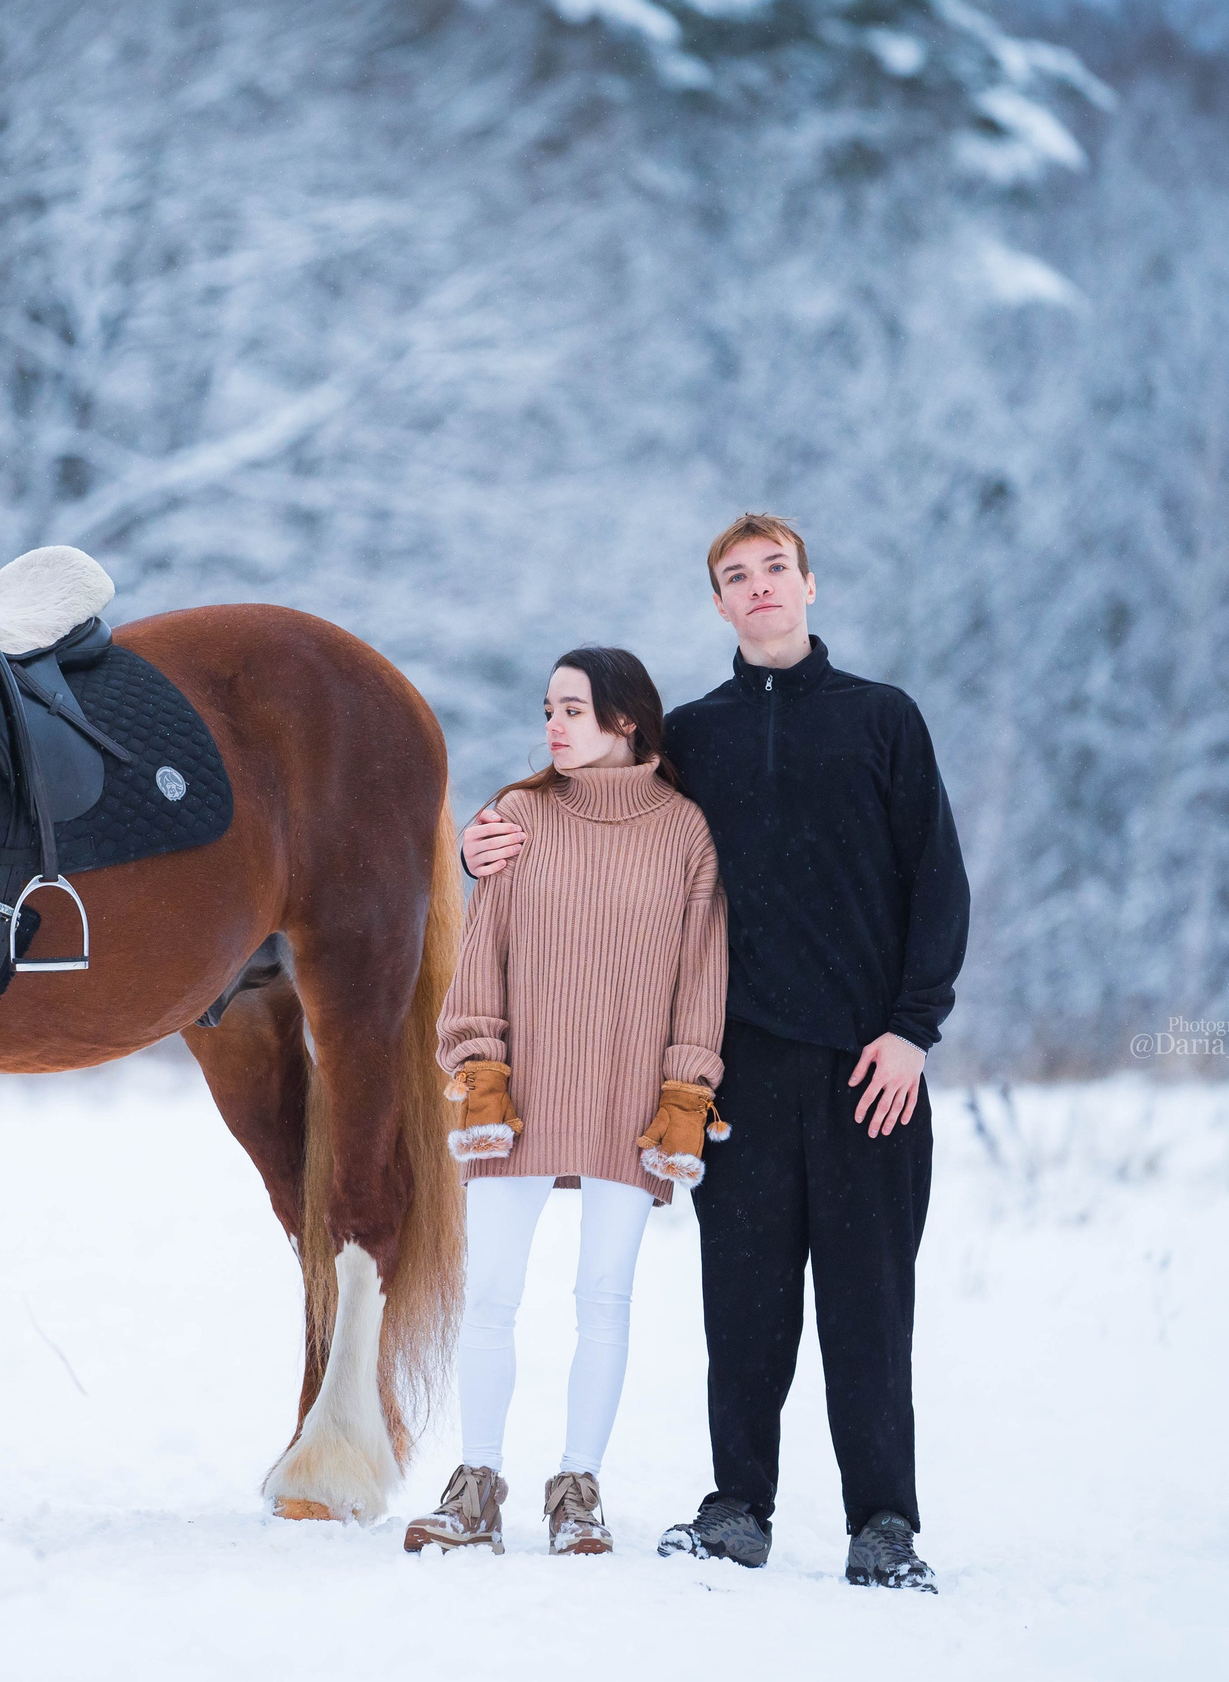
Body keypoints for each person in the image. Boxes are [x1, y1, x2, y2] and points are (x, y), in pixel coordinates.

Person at [459, 514, 969, 1592]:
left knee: (868, 1302)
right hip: (733, 1071)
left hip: (866, 1070)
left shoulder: (883, 720)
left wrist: (911, 1029)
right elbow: (598, 785)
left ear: (808, 584)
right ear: (718, 604)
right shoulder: (698, 733)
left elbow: (938, 880)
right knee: (742, 1301)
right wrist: (482, 836)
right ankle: (737, 1506)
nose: (757, 587)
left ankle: (883, 1523)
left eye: (773, 568)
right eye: (734, 577)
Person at [403, 646, 729, 1558]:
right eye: (548, 706)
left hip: (633, 1101)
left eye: (574, 710)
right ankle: (474, 1489)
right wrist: (479, 1068)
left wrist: (686, 1090)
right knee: (491, 1297)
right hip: (518, 1094)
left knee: (604, 1299)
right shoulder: (520, 816)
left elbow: (701, 975)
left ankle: (578, 1491)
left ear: (626, 720)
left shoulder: (685, 834)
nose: (553, 724)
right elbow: (483, 956)